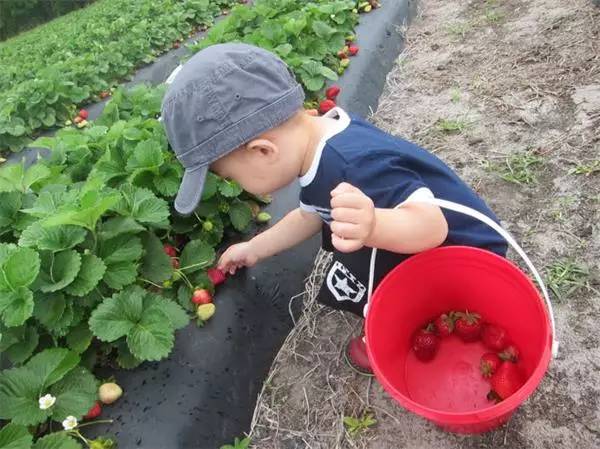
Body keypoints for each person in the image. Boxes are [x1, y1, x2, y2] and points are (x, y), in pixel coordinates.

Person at [161, 43, 507, 376]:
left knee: (375, 261)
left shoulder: (352, 165)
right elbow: (310, 214)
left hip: (467, 257)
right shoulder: (321, 142)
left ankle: (408, 321)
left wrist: (373, 226)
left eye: (233, 178)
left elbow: (433, 227)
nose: (238, 188)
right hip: (428, 241)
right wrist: (255, 248)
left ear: (263, 151)